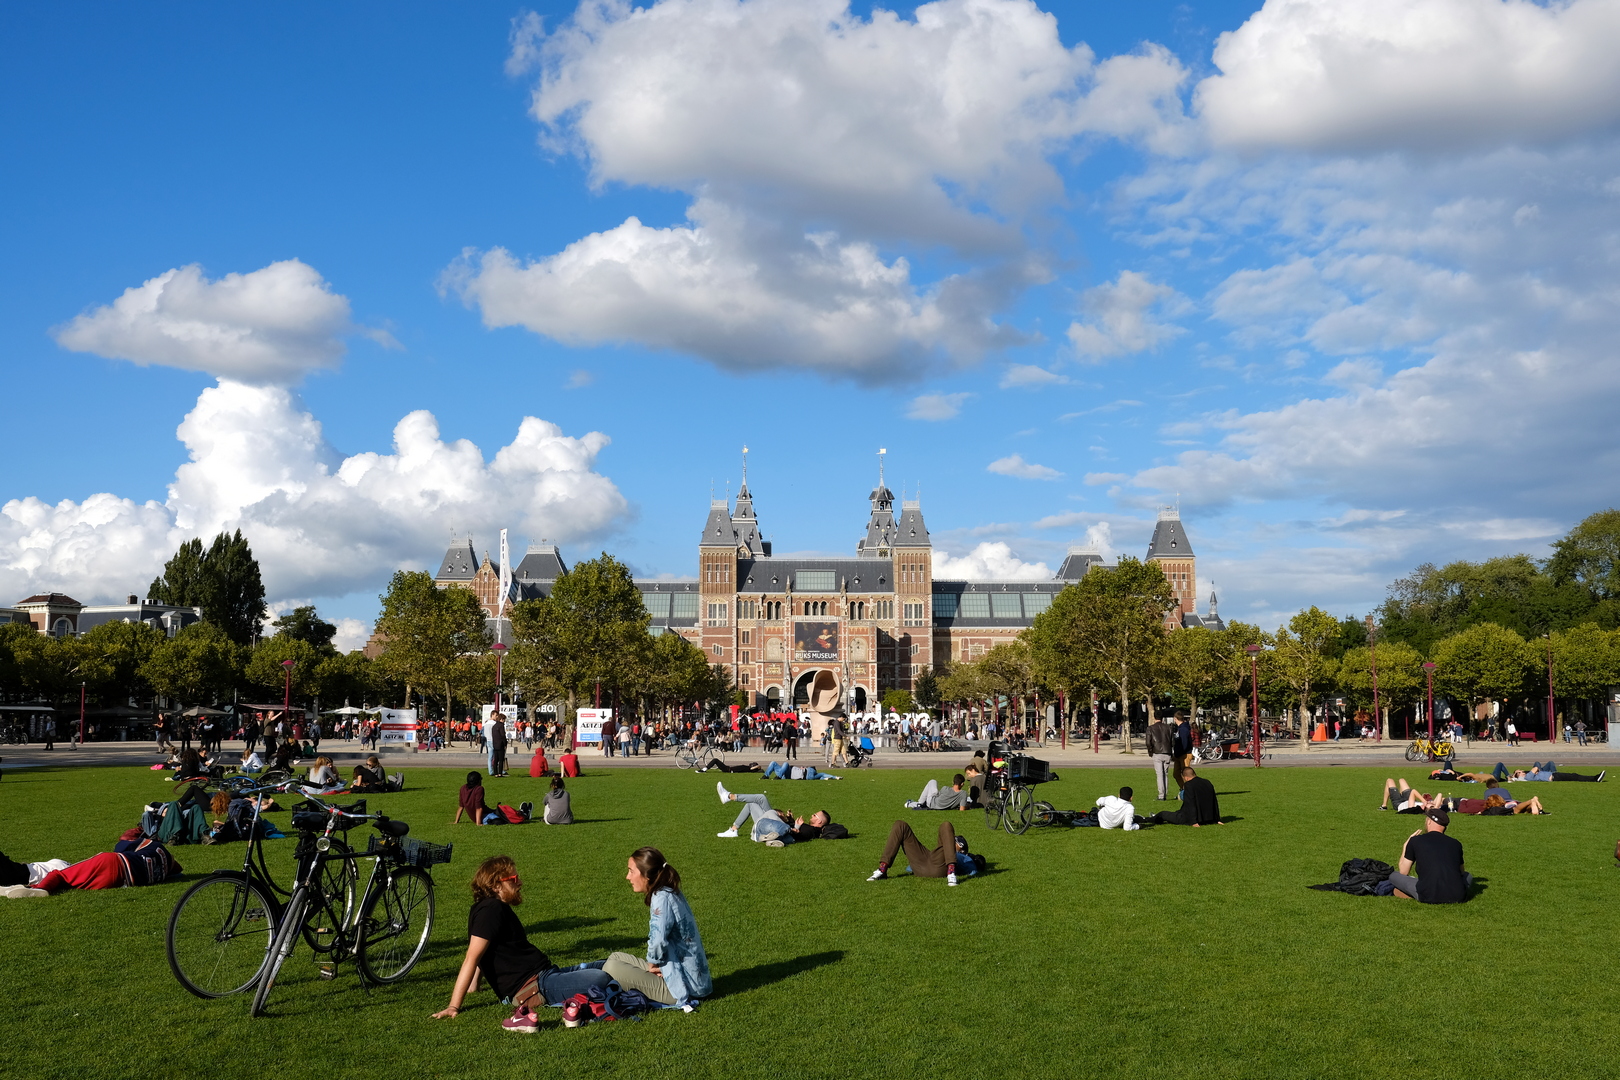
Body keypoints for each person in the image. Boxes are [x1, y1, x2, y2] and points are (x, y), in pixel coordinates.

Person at [431, 855, 615, 1032]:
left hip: (545, 975)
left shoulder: (492, 908)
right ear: (496, 885)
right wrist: (453, 1006)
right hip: (533, 988)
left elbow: (485, 951)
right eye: (513, 879)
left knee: (610, 963)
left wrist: (474, 986)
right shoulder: (490, 911)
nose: (520, 883)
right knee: (600, 978)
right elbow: (472, 957)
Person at [599, 847, 711, 1011]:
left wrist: (652, 964)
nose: (627, 877)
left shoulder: (661, 898)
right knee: (615, 957)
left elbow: (658, 941)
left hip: (682, 987)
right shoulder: (669, 890)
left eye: (631, 871)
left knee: (611, 968)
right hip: (682, 974)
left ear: (647, 875)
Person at [33, 830, 183, 893]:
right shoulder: (164, 872)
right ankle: (41, 888)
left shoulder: (154, 845)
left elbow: (122, 844)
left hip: (113, 862)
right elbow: (179, 871)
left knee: (61, 874)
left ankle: (40, 888)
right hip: (121, 881)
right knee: (72, 883)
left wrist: (136, 832)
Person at [1389, 809, 1470, 903]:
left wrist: (1405, 845)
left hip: (1428, 894)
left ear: (1429, 821)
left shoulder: (1416, 840)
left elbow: (1403, 871)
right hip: (1458, 896)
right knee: (1468, 876)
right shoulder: (1456, 843)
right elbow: (1461, 872)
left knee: (1393, 876)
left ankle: (1409, 893)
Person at [713, 783, 823, 845]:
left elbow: (798, 834)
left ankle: (729, 797)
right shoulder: (809, 827)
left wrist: (796, 826)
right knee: (751, 804)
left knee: (763, 801)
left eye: (815, 815)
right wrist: (791, 821)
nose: (812, 815)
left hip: (775, 826)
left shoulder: (812, 829)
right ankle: (733, 830)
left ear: (819, 821)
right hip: (771, 825)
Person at [865, 819, 963, 885]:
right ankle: (883, 868)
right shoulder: (955, 853)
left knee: (946, 825)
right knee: (900, 824)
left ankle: (951, 871)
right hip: (921, 863)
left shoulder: (963, 856)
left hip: (939, 865)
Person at [1150, 767, 1222, 826]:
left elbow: (1190, 803)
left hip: (1190, 817)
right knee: (1175, 813)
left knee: (1163, 814)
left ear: (1186, 777)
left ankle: (1147, 819)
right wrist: (1217, 819)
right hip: (1209, 818)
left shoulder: (1189, 785)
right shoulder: (1207, 782)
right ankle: (1154, 817)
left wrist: (1193, 822)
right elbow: (1214, 801)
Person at [905, 773, 974, 811]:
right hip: (937, 805)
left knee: (932, 781)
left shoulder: (945, 788)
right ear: (962, 784)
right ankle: (917, 803)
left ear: (953, 782)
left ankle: (919, 803)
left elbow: (938, 795)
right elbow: (962, 809)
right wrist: (968, 806)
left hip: (932, 803)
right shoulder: (963, 794)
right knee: (935, 792)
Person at [1146, 714, 1175, 800]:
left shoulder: (1150, 728)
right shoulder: (1168, 727)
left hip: (1157, 752)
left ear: (1154, 717)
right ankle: (1164, 793)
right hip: (1167, 752)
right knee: (1165, 774)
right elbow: (1173, 741)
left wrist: (1150, 752)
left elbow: (1148, 742)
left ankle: (1161, 795)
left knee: (1159, 774)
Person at [761, 760, 839, 780]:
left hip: (787, 774)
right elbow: (822, 774)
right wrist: (834, 777)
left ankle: (776, 776)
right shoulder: (801, 770)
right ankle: (766, 775)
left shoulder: (803, 770)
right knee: (773, 763)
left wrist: (802, 768)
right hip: (785, 773)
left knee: (785, 763)